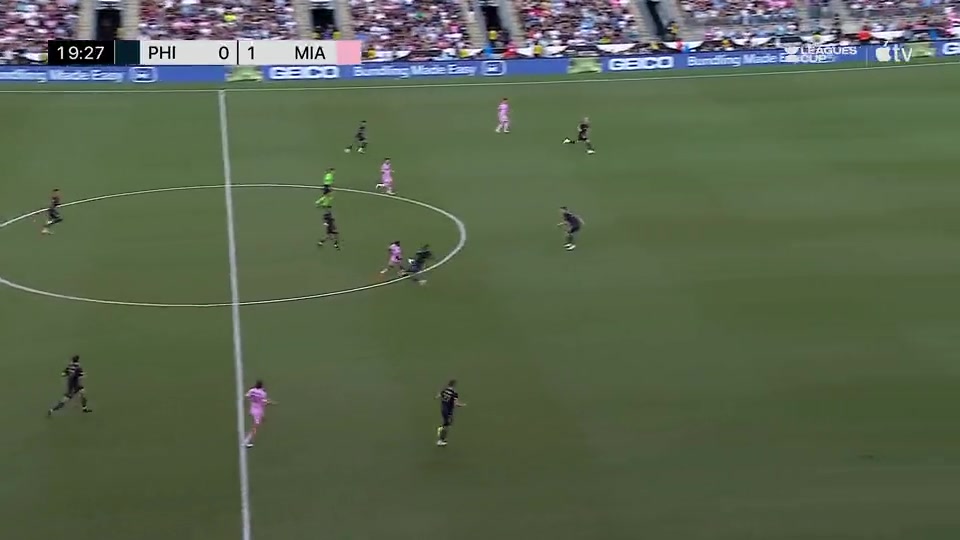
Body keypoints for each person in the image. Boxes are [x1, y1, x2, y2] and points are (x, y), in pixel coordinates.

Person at [243, 380, 275, 448]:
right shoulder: (263, 393)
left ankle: (261, 418)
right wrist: (270, 403)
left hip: (253, 407)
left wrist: (251, 399)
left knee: (257, 422)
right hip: (258, 410)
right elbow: (264, 402)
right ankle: (249, 441)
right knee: (255, 427)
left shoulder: (252, 390)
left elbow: (247, 396)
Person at [436, 379, 465, 447]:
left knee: (449, 423)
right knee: (447, 425)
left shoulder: (445, 390)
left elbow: (438, 396)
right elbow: (456, 404)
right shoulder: (454, 393)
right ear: (454, 385)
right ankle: (440, 440)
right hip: (448, 411)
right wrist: (462, 405)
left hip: (443, 409)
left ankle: (442, 434)